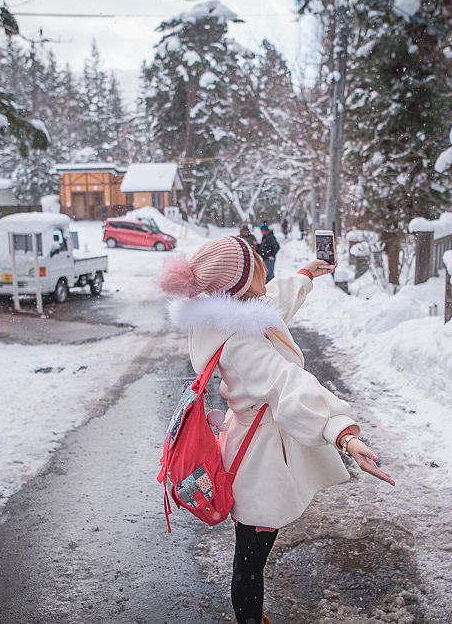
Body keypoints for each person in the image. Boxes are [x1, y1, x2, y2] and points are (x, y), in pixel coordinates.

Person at [159, 237, 394, 624]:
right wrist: (343, 434)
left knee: (250, 552)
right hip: (258, 464)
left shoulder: (226, 317)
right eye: (253, 262)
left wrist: (303, 276)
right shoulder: (243, 343)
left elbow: (271, 304)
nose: (262, 265)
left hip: (248, 443)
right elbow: (290, 385)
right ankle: (249, 620)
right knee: (250, 558)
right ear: (240, 281)